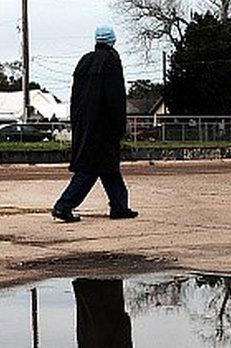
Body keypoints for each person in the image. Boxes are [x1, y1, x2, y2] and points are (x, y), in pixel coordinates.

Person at [52, 26, 138, 223]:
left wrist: (78, 122)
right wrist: (120, 126)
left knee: (109, 168)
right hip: (104, 125)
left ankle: (119, 206)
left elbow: (75, 97)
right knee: (91, 168)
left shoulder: (84, 61)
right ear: (112, 41)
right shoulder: (111, 62)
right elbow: (115, 97)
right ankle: (64, 205)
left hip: (84, 123)